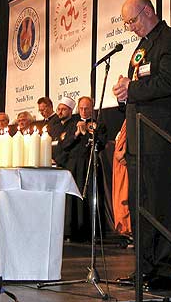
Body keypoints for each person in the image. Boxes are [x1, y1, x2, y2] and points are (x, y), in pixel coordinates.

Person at [112, 0, 171, 290]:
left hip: (160, 139)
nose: (130, 27)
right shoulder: (141, 47)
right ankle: (143, 267)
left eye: (132, 20)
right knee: (140, 205)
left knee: (162, 204)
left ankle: (167, 269)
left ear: (147, 11)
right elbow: (139, 88)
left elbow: (169, 83)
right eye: (126, 23)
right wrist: (123, 94)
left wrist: (133, 88)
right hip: (138, 140)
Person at [57, 96, 107, 242]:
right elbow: (64, 144)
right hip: (73, 165)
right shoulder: (72, 124)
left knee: (90, 196)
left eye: (87, 108)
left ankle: (91, 232)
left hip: (89, 164)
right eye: (81, 108)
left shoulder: (99, 124)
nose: (84, 111)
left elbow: (100, 144)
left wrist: (86, 133)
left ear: (92, 108)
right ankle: (71, 231)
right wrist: (77, 134)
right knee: (73, 197)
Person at [112, 120, 132, 239]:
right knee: (119, 196)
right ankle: (125, 230)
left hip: (124, 164)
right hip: (118, 166)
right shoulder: (126, 121)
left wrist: (124, 153)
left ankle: (129, 229)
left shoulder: (132, 118)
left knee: (125, 197)